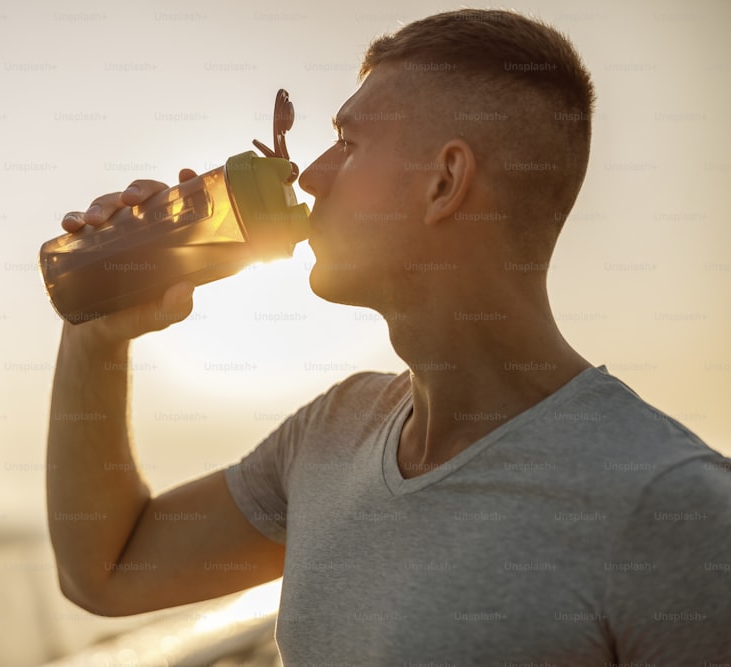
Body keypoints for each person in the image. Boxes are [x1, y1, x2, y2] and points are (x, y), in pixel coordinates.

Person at [45, 8, 731, 664]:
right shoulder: (333, 434)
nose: (309, 176)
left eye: (348, 142)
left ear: (444, 182)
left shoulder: (672, 507)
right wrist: (98, 336)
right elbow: (107, 569)